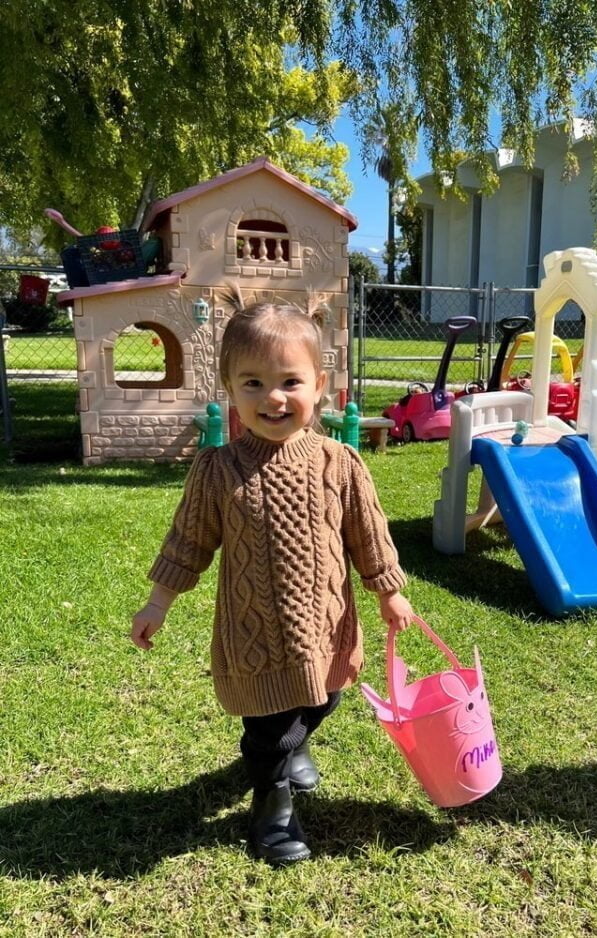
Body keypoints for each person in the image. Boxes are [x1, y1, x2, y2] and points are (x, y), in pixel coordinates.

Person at [130, 303, 413, 866]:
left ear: (320, 385)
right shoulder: (217, 469)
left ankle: (297, 745)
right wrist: (158, 602)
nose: (273, 398)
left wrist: (389, 590)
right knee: (269, 732)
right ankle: (272, 803)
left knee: (323, 698)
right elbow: (188, 543)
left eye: (290, 382)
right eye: (253, 383)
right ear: (230, 389)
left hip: (326, 625)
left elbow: (369, 536)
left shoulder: (341, 463)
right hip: (254, 634)